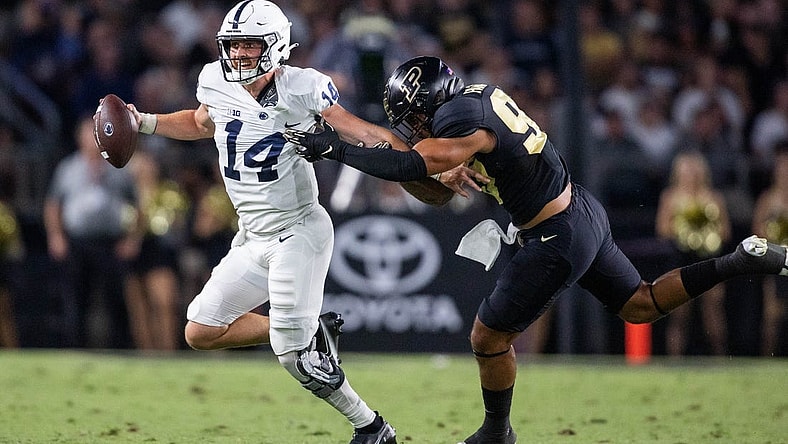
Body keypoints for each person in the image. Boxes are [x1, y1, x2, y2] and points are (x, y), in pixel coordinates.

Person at [284, 55, 788, 444]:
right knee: (641, 304)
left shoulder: (461, 122)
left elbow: (413, 166)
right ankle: (738, 260)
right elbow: (435, 182)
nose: (415, 130)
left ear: (431, 104)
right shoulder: (477, 98)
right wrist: (445, 165)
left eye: (415, 120)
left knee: (487, 337)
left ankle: (496, 432)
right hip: (578, 211)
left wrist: (332, 146)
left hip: (554, 234)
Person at [115, 1, 406, 442]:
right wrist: (146, 122)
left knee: (293, 354)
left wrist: (425, 164)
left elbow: (360, 131)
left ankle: (371, 427)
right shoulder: (214, 79)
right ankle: (309, 330)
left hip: (298, 229)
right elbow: (200, 122)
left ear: (276, 46)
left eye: (250, 45)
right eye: (233, 46)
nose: (239, 55)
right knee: (200, 330)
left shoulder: (303, 88)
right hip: (251, 236)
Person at [44, 116, 141, 349]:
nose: (92, 139)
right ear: (79, 138)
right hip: (78, 241)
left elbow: (138, 206)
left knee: (115, 299)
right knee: (77, 298)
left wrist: (132, 239)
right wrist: (56, 236)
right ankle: (76, 348)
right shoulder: (68, 168)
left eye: (95, 133)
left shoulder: (118, 166)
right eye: (87, 133)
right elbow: (53, 205)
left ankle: (122, 349)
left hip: (110, 242)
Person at [655, 152, 732, 355]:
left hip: (708, 259)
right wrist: (686, 229)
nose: (690, 175)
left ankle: (720, 359)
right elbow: (662, 229)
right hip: (680, 259)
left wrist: (705, 231)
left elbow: (725, 232)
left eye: (694, 170)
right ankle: (675, 360)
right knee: (678, 313)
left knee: (713, 310)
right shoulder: (670, 197)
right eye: (685, 171)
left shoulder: (713, 197)